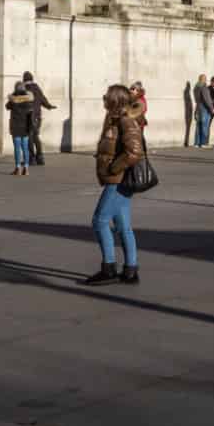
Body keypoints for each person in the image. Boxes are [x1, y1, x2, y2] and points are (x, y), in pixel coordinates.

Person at [83, 83, 147, 286]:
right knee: (123, 226)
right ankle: (130, 270)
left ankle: (109, 268)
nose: (103, 99)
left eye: (106, 96)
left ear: (115, 100)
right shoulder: (114, 118)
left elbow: (134, 151)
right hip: (119, 179)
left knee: (99, 221)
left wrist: (114, 168)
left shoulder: (125, 120)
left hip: (118, 180)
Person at [21, 70, 55, 165]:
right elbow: (42, 99)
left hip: (28, 117)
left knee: (29, 138)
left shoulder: (24, 89)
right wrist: (49, 106)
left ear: (24, 79)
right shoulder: (36, 88)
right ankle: (40, 157)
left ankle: (31, 158)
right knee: (35, 137)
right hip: (37, 117)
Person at [5, 79, 36, 175]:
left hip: (15, 126)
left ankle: (18, 167)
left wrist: (12, 95)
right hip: (26, 126)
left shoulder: (13, 100)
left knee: (17, 147)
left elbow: (7, 106)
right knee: (25, 147)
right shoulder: (28, 100)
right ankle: (26, 168)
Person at [192, 75, 214, 148]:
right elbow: (207, 99)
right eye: (205, 79)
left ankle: (197, 143)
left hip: (198, 107)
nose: (206, 80)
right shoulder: (204, 87)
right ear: (203, 79)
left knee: (198, 125)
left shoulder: (195, 87)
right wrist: (212, 108)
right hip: (204, 108)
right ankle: (204, 143)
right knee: (204, 125)